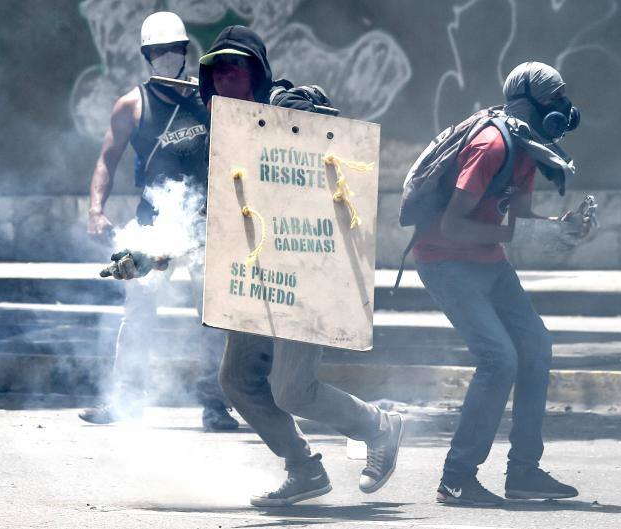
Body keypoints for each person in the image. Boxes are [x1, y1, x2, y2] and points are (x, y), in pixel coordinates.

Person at [200, 25, 406, 507]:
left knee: (292, 390)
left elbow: (325, 135)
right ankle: (303, 468)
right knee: (235, 380)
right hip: (256, 274)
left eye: (237, 68)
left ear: (257, 72)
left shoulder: (289, 105)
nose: (227, 78)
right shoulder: (224, 133)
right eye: (218, 70)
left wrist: (302, 115)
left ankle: (380, 427)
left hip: (306, 268)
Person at [413, 62, 585, 506]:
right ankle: (456, 478)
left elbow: (520, 220)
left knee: (536, 346)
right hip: (444, 261)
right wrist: (517, 235)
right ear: (528, 103)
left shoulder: (527, 146)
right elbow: (452, 226)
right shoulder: (491, 145)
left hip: (487, 261)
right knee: (499, 359)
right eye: (554, 98)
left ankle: (524, 472)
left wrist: (562, 229)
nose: (563, 108)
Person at [79, 11, 238, 431]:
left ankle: (215, 405)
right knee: (138, 315)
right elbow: (106, 161)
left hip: (206, 226)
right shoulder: (131, 105)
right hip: (153, 228)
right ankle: (123, 400)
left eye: (175, 49)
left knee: (212, 318)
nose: (168, 56)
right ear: (147, 55)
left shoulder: (209, 99)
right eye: (159, 50)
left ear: (186, 52)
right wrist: (95, 210)